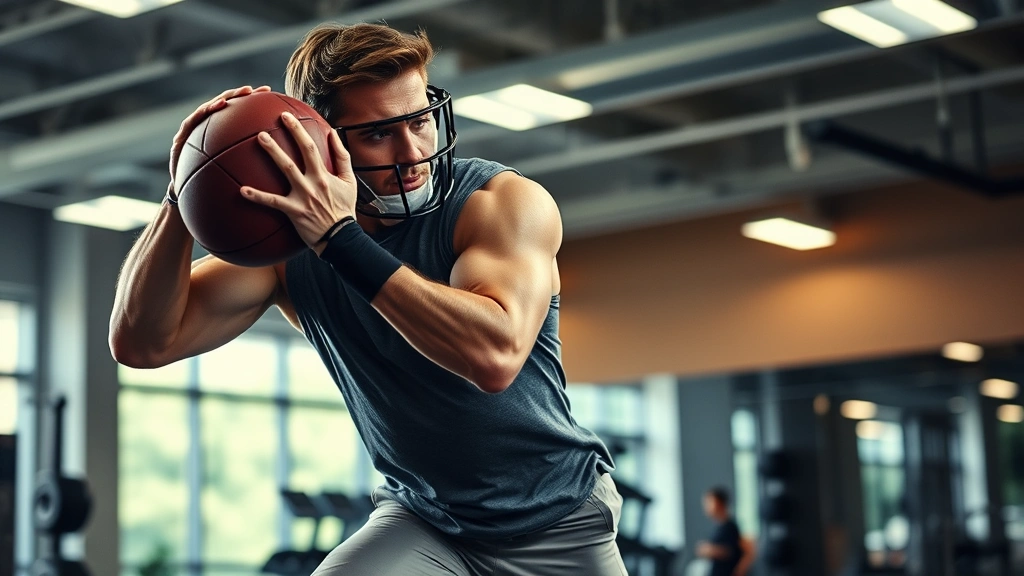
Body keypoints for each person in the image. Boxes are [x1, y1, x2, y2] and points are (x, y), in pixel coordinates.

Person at [109, 22, 625, 576]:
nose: (412, 155)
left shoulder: (501, 204)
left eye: (420, 121)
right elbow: (141, 342)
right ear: (314, 142)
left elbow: (493, 356)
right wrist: (183, 193)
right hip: (427, 520)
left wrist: (341, 241)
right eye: (379, 134)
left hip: (558, 520)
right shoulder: (289, 252)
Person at [696, 486, 756, 576]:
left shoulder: (730, 527)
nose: (706, 507)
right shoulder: (719, 527)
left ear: (720, 503)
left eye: (709, 502)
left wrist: (710, 550)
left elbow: (730, 551)